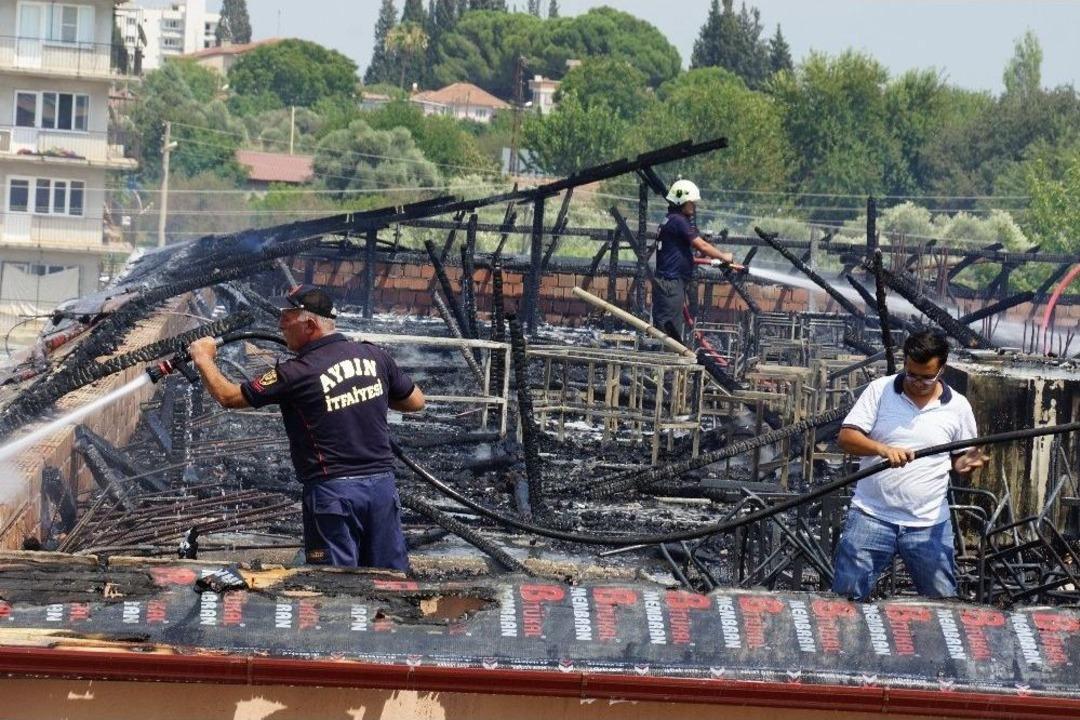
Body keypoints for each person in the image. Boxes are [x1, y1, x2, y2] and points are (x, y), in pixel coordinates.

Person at [188, 284, 425, 571]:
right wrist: (360, 396)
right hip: (382, 490)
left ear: (310, 324)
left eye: (286, 318)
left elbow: (228, 396)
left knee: (334, 586)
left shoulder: (296, 373)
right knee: (389, 579)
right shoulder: (375, 357)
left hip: (334, 495)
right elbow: (415, 401)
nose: (280, 325)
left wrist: (203, 358)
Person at [831, 331, 988, 601]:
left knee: (943, 604)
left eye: (927, 377)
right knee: (847, 600)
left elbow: (960, 458)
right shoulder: (880, 391)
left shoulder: (958, 407)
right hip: (872, 516)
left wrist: (967, 464)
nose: (917, 383)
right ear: (905, 363)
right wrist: (883, 449)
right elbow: (846, 437)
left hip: (928, 523)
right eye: (912, 374)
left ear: (942, 369)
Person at [652, 179, 736, 342]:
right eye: (692, 202)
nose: (694, 206)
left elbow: (694, 248)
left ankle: (669, 363)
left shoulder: (672, 219)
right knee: (669, 335)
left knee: (670, 331)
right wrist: (724, 256)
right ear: (682, 201)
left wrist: (710, 254)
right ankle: (666, 365)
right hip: (670, 284)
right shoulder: (678, 221)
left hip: (670, 284)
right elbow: (702, 246)